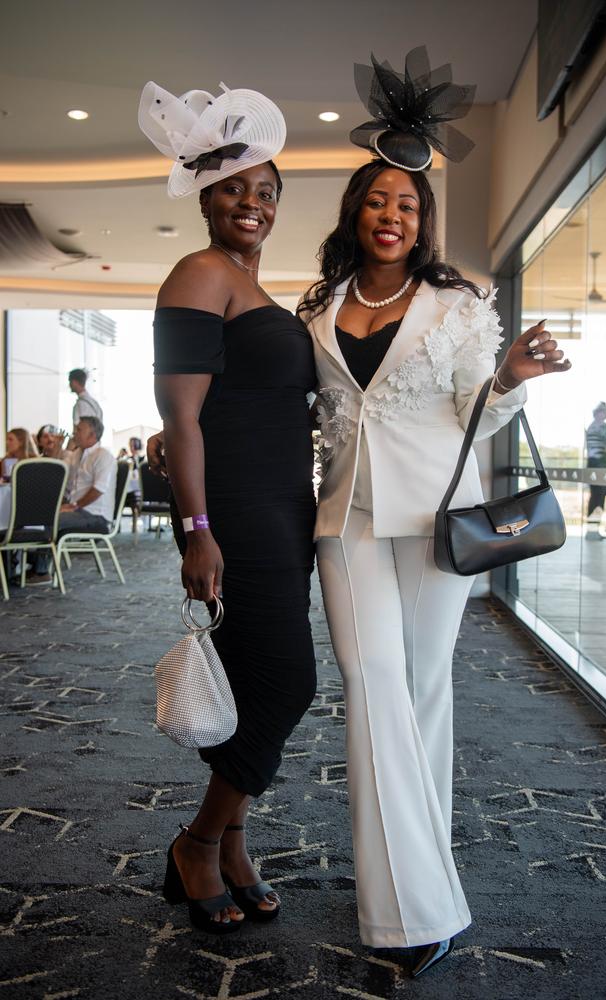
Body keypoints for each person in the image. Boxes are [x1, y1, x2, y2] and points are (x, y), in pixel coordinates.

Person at [298, 48, 572, 979]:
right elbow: (327, 414)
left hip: (435, 523)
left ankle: (413, 877)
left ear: (423, 221)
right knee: (371, 683)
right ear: (356, 211)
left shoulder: (459, 305)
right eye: (378, 201)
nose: (392, 215)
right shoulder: (320, 305)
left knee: (418, 696)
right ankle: (418, 913)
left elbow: (474, 414)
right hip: (348, 525)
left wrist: (513, 379)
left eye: (408, 205)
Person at [139, 79, 317, 933]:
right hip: (237, 516)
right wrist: (197, 531)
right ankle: (199, 843)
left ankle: (232, 845)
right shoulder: (198, 272)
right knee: (288, 680)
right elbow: (179, 420)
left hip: (285, 513)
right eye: (235, 189)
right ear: (205, 198)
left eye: (265, 192)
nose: (251, 203)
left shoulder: (252, 284)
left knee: (260, 682)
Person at [28, 415, 116, 583]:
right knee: (37, 515)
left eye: (79, 430)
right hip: (79, 510)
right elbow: (58, 472)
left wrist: (74, 506)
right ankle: (23, 564)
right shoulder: (77, 454)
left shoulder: (103, 456)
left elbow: (99, 489)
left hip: (95, 515)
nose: (74, 432)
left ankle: (40, 571)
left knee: (49, 520)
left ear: (92, 435)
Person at [585, 401, 606, 525]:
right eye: (604, 411)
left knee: (596, 495)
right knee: (599, 495)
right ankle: (594, 525)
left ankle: (593, 526)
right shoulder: (600, 425)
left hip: (594, 463)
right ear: (598, 413)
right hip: (597, 463)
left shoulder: (592, 426)